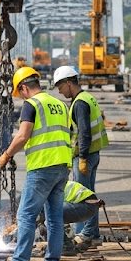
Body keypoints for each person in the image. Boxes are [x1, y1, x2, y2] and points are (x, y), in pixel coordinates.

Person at [0, 67, 73, 261]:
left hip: (42, 167)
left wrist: (6, 155)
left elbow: (23, 136)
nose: (20, 97)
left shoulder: (31, 104)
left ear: (23, 88)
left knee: (26, 216)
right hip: (62, 166)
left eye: (19, 92)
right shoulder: (60, 104)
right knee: (55, 219)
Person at [52, 65, 109, 249]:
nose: (60, 92)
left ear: (69, 83)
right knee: (90, 194)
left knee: (83, 198)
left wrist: (82, 157)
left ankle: (85, 235)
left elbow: (84, 132)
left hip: (84, 156)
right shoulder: (88, 98)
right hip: (93, 153)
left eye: (60, 87)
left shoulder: (80, 103)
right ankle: (93, 234)